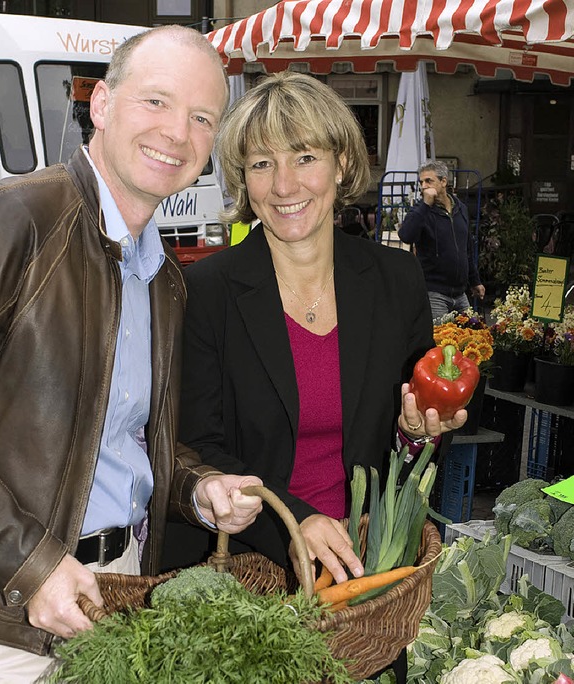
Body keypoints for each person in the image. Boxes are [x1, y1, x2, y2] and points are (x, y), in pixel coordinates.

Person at [0, 26, 264, 683]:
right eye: (156, 102)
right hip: (0, 617)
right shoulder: (15, 222)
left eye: (202, 117)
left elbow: (114, 446)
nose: (177, 132)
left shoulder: (161, 277)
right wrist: (30, 564)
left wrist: (198, 489)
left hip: (115, 591)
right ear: (103, 106)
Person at [162, 72, 467, 683]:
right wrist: (295, 517)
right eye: (261, 163)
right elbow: (198, 447)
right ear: (242, 180)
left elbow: (414, 450)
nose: (284, 185)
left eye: (305, 157)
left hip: (368, 584)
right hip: (249, 577)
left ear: (342, 162)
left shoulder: (394, 280)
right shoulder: (206, 292)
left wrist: (417, 435)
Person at [398, 160, 485, 321]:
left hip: (460, 294)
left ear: (443, 181)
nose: (423, 186)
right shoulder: (421, 211)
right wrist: (425, 205)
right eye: (421, 182)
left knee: (472, 338)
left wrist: (475, 281)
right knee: (441, 343)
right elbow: (406, 235)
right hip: (435, 294)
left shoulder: (461, 209)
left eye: (428, 181)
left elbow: (467, 249)